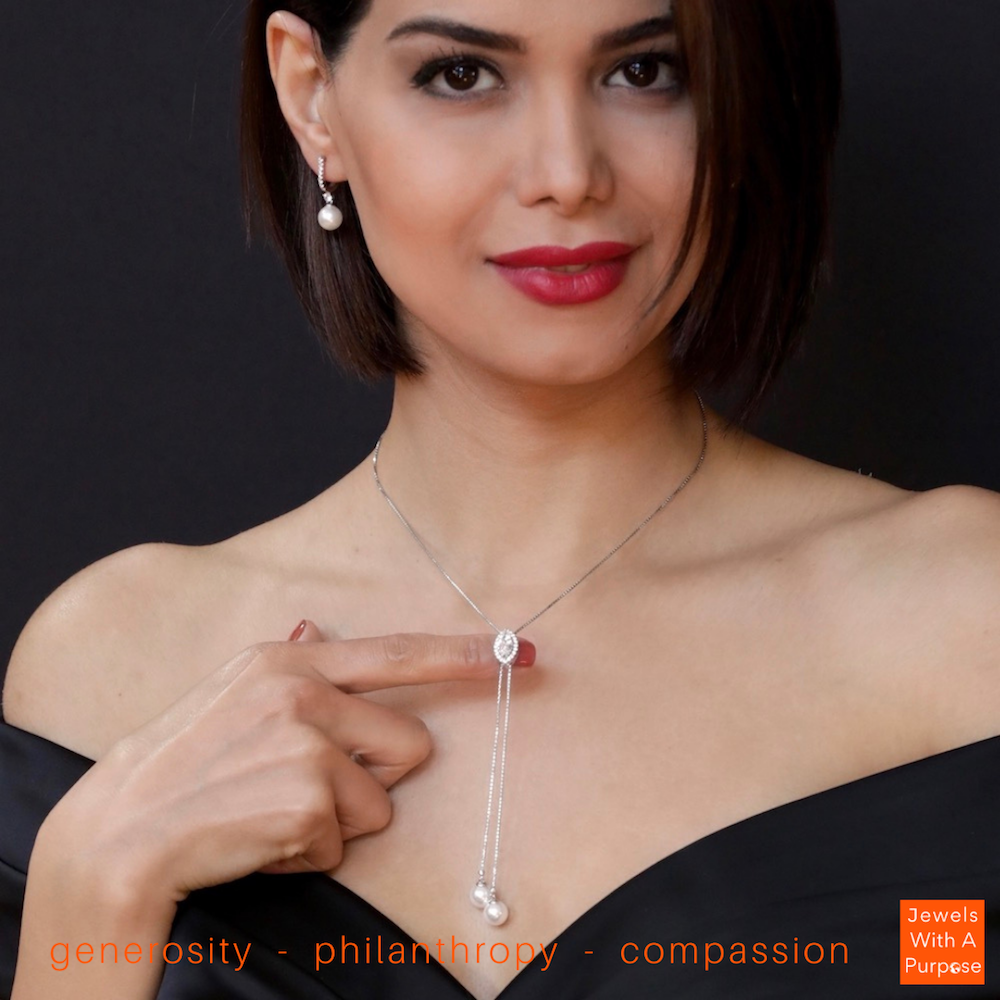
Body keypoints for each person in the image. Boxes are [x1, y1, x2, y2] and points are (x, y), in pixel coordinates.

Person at [2, 1, 999, 998]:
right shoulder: (115, 669)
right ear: (311, 97)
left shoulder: (963, 619)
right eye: (461, 76)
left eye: (646, 71)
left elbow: (948, 960)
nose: (566, 173)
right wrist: (96, 890)